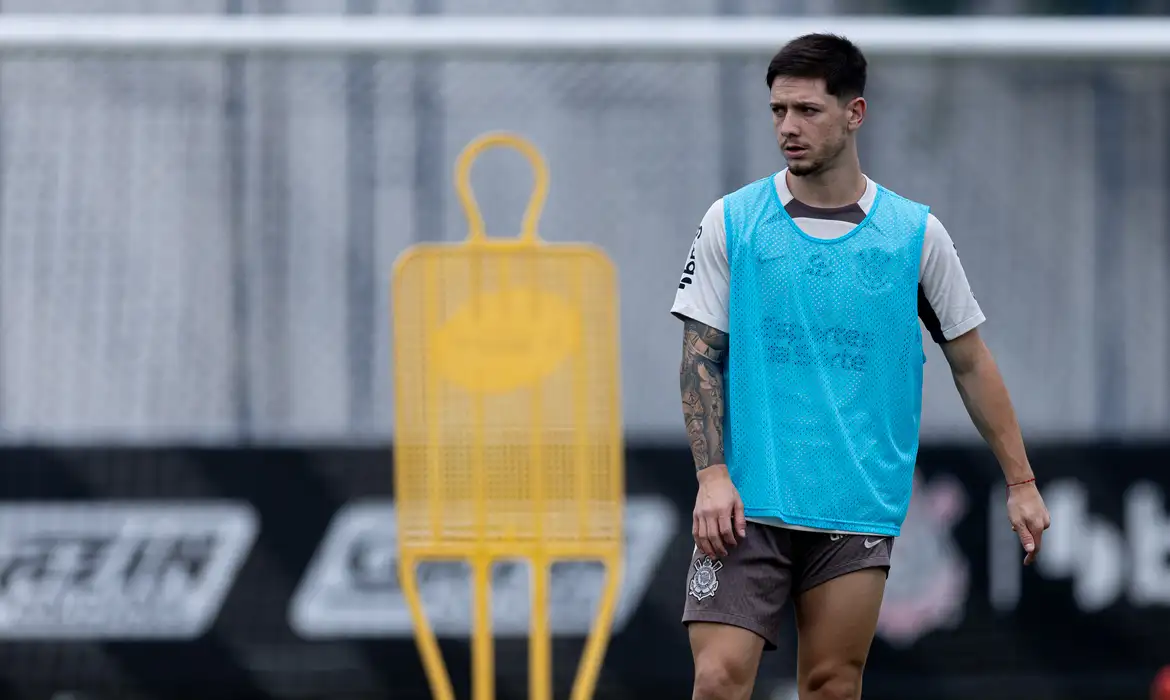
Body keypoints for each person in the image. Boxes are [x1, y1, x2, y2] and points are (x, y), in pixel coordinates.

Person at [671, 33, 1051, 700]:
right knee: (718, 677)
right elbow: (700, 355)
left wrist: (1020, 481)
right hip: (744, 505)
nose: (788, 127)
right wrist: (712, 477)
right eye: (778, 110)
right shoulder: (732, 221)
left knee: (832, 684)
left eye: (807, 110)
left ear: (855, 114)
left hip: (856, 506)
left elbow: (970, 361)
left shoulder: (915, 236)